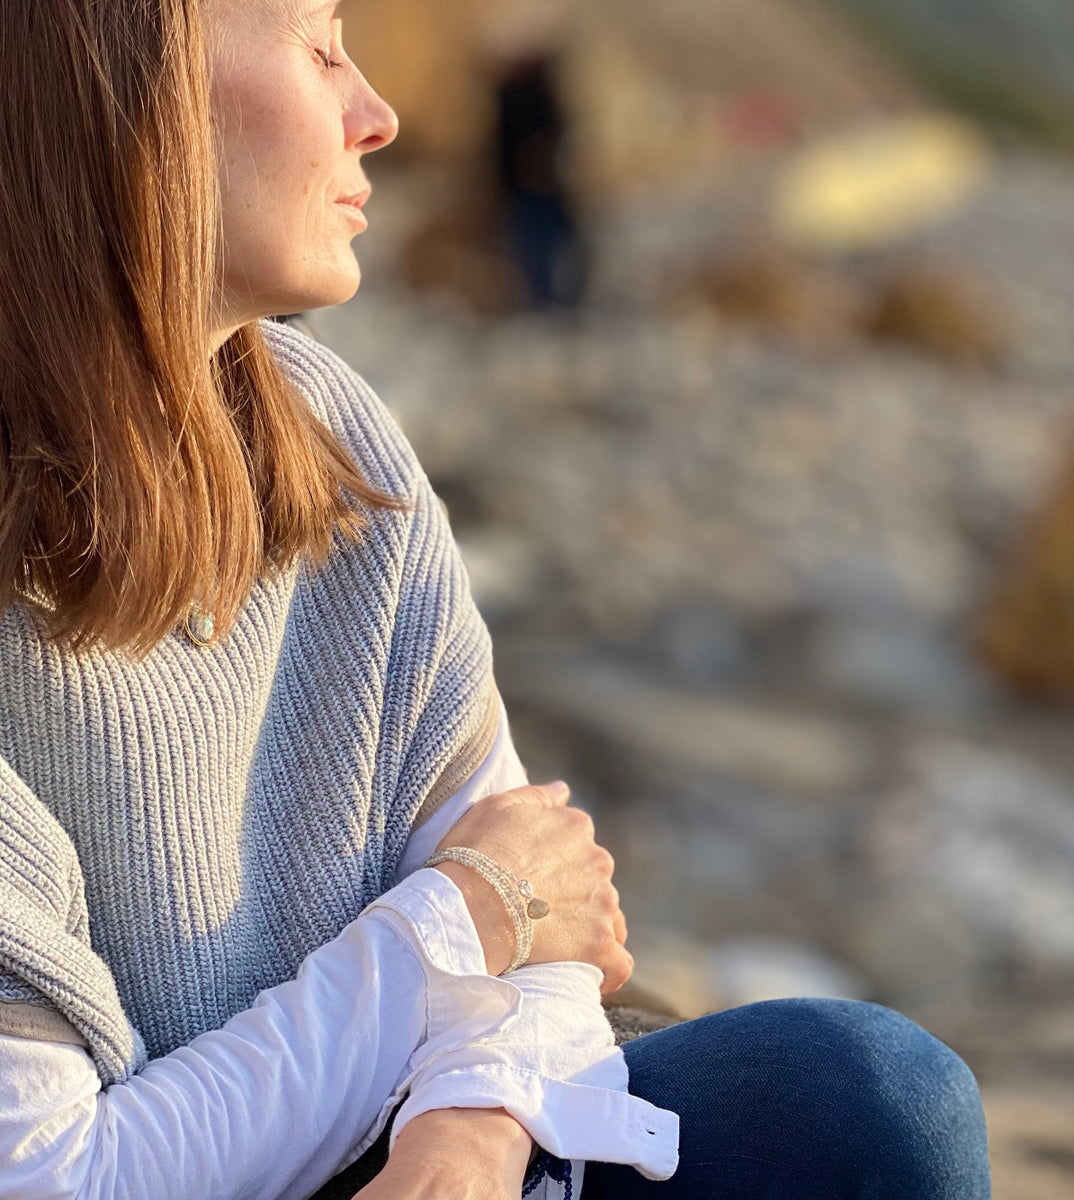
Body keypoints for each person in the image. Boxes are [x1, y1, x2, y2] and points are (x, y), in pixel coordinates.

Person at [0, 2, 991, 1199]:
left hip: (401, 1152)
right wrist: (461, 922)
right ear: (117, 87)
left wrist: (462, 1144)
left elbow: (549, 908)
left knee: (874, 1098)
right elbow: (56, 1175)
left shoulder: (325, 433)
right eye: (321, 48)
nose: (381, 116)